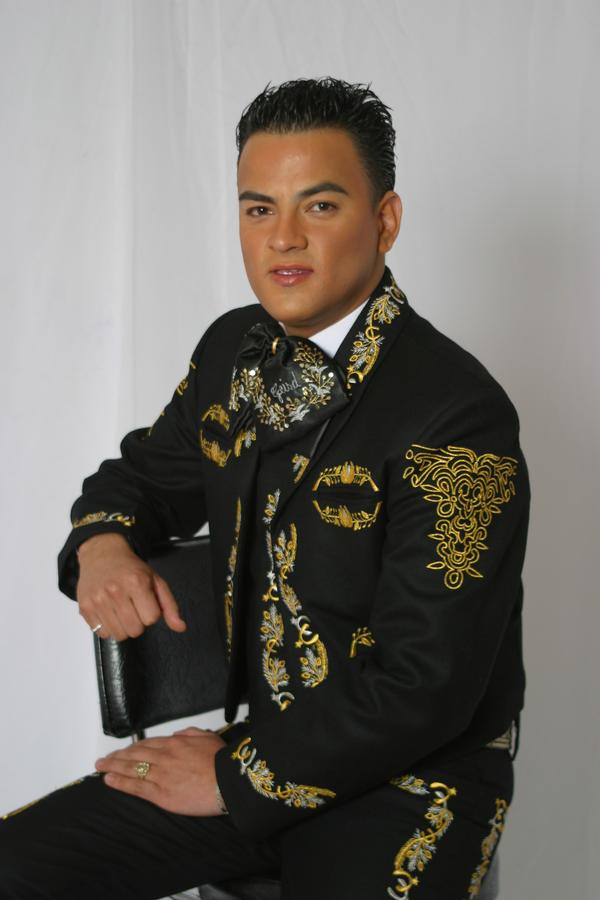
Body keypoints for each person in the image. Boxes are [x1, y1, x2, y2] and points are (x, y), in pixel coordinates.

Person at [1, 78, 529, 899]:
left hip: (410, 785)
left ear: (385, 220)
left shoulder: (458, 413)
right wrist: (102, 543)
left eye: (320, 206)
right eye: (258, 209)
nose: (283, 237)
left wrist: (231, 778)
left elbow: (425, 689)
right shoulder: (232, 351)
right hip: (254, 745)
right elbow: (143, 478)